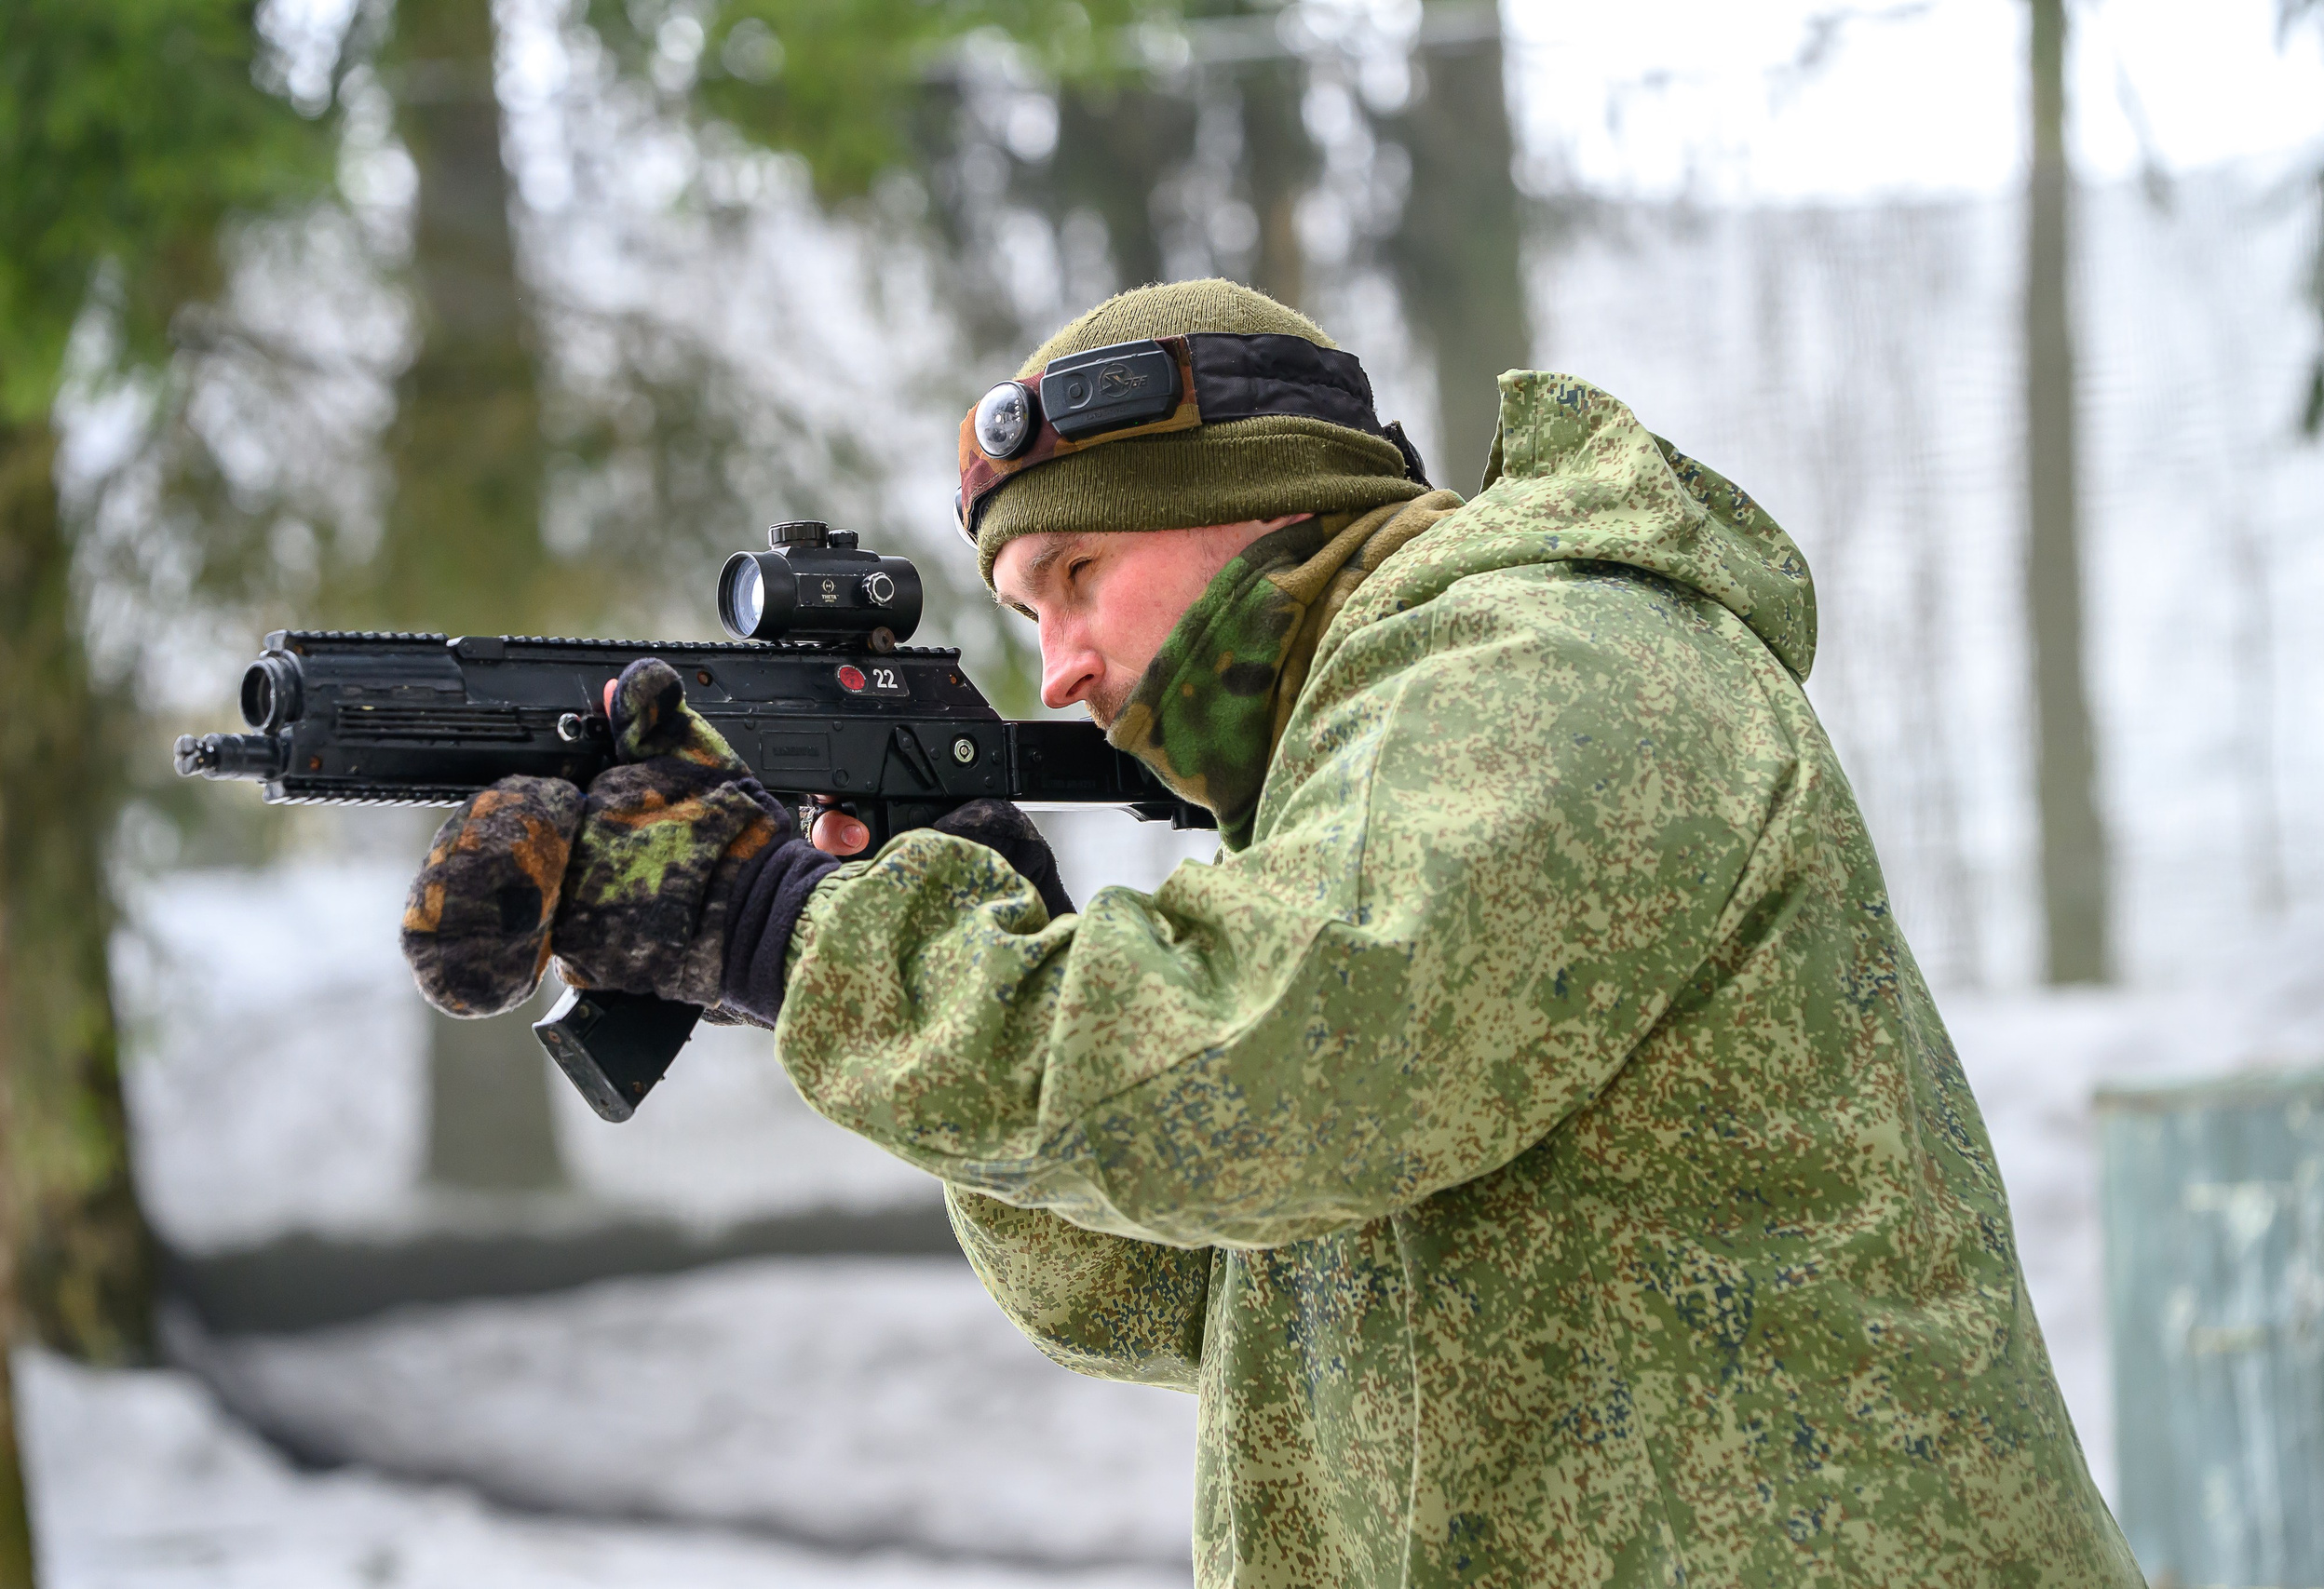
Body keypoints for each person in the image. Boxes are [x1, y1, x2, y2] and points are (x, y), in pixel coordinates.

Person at [400, 280, 2145, 1586]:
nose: (1062, 672)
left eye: (1075, 583)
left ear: (1248, 498)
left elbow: (1265, 1088)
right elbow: (1179, 1275)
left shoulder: (1562, 667)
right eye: (1023, 621)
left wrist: (791, 922)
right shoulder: (1365, 785)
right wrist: (921, 934)